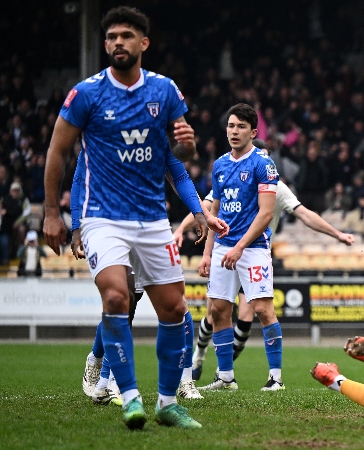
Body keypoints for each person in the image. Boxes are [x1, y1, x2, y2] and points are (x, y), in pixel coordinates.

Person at [42, 6, 226, 429]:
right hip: (102, 217)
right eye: (110, 37)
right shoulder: (86, 94)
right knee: (116, 298)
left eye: (126, 35)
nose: (117, 43)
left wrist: (191, 160)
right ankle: (126, 396)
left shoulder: (164, 91)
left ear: (143, 43)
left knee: (175, 309)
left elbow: (176, 160)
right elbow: (58, 151)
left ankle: (166, 403)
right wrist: (56, 215)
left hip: (151, 219)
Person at [179, 140, 355, 385]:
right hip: (226, 250)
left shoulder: (275, 186)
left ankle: (263, 376)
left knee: (253, 314)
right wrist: (182, 231)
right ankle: (205, 359)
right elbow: (208, 209)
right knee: (215, 311)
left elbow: (305, 214)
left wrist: (337, 234)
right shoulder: (227, 171)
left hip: (254, 253)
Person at [71, 147, 221, 405]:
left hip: (152, 226)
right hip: (111, 225)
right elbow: (78, 180)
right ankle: (103, 373)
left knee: (177, 305)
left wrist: (199, 212)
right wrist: (75, 226)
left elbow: (180, 175)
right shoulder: (100, 128)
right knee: (121, 302)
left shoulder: (155, 128)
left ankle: (184, 381)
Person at [197, 104, 285, 392]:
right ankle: (225, 377)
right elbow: (216, 213)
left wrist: (240, 246)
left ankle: (275, 378)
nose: (234, 132)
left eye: (241, 127)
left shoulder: (263, 164)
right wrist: (208, 253)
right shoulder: (220, 165)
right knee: (219, 310)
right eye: (231, 126)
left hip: (253, 247)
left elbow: (266, 214)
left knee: (262, 309)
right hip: (223, 247)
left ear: (253, 132)